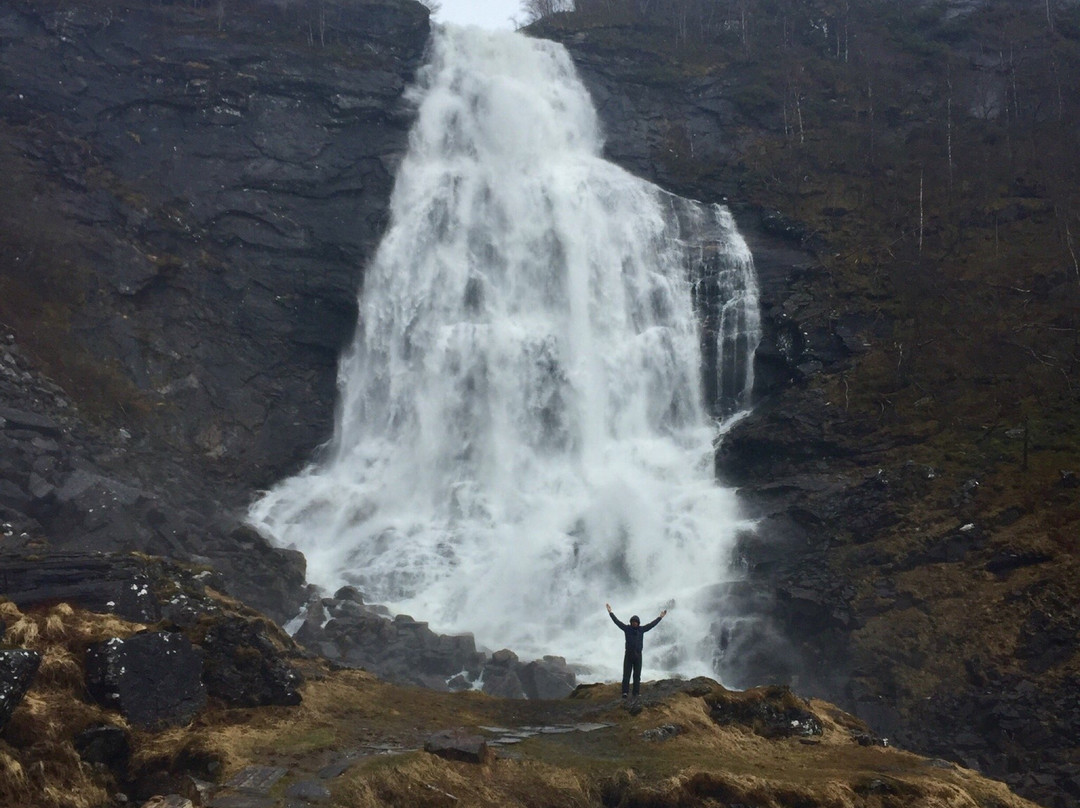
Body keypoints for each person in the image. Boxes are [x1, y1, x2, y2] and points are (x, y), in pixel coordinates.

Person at [606, 602, 667, 698]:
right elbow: (617, 622)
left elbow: (652, 625)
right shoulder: (627, 628)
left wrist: (660, 617)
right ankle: (625, 692)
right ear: (631, 622)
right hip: (629, 655)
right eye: (633, 621)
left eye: (636, 621)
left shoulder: (641, 629)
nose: (634, 623)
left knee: (637, 676)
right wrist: (610, 612)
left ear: (638, 623)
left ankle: (636, 693)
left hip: (638, 655)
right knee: (626, 675)